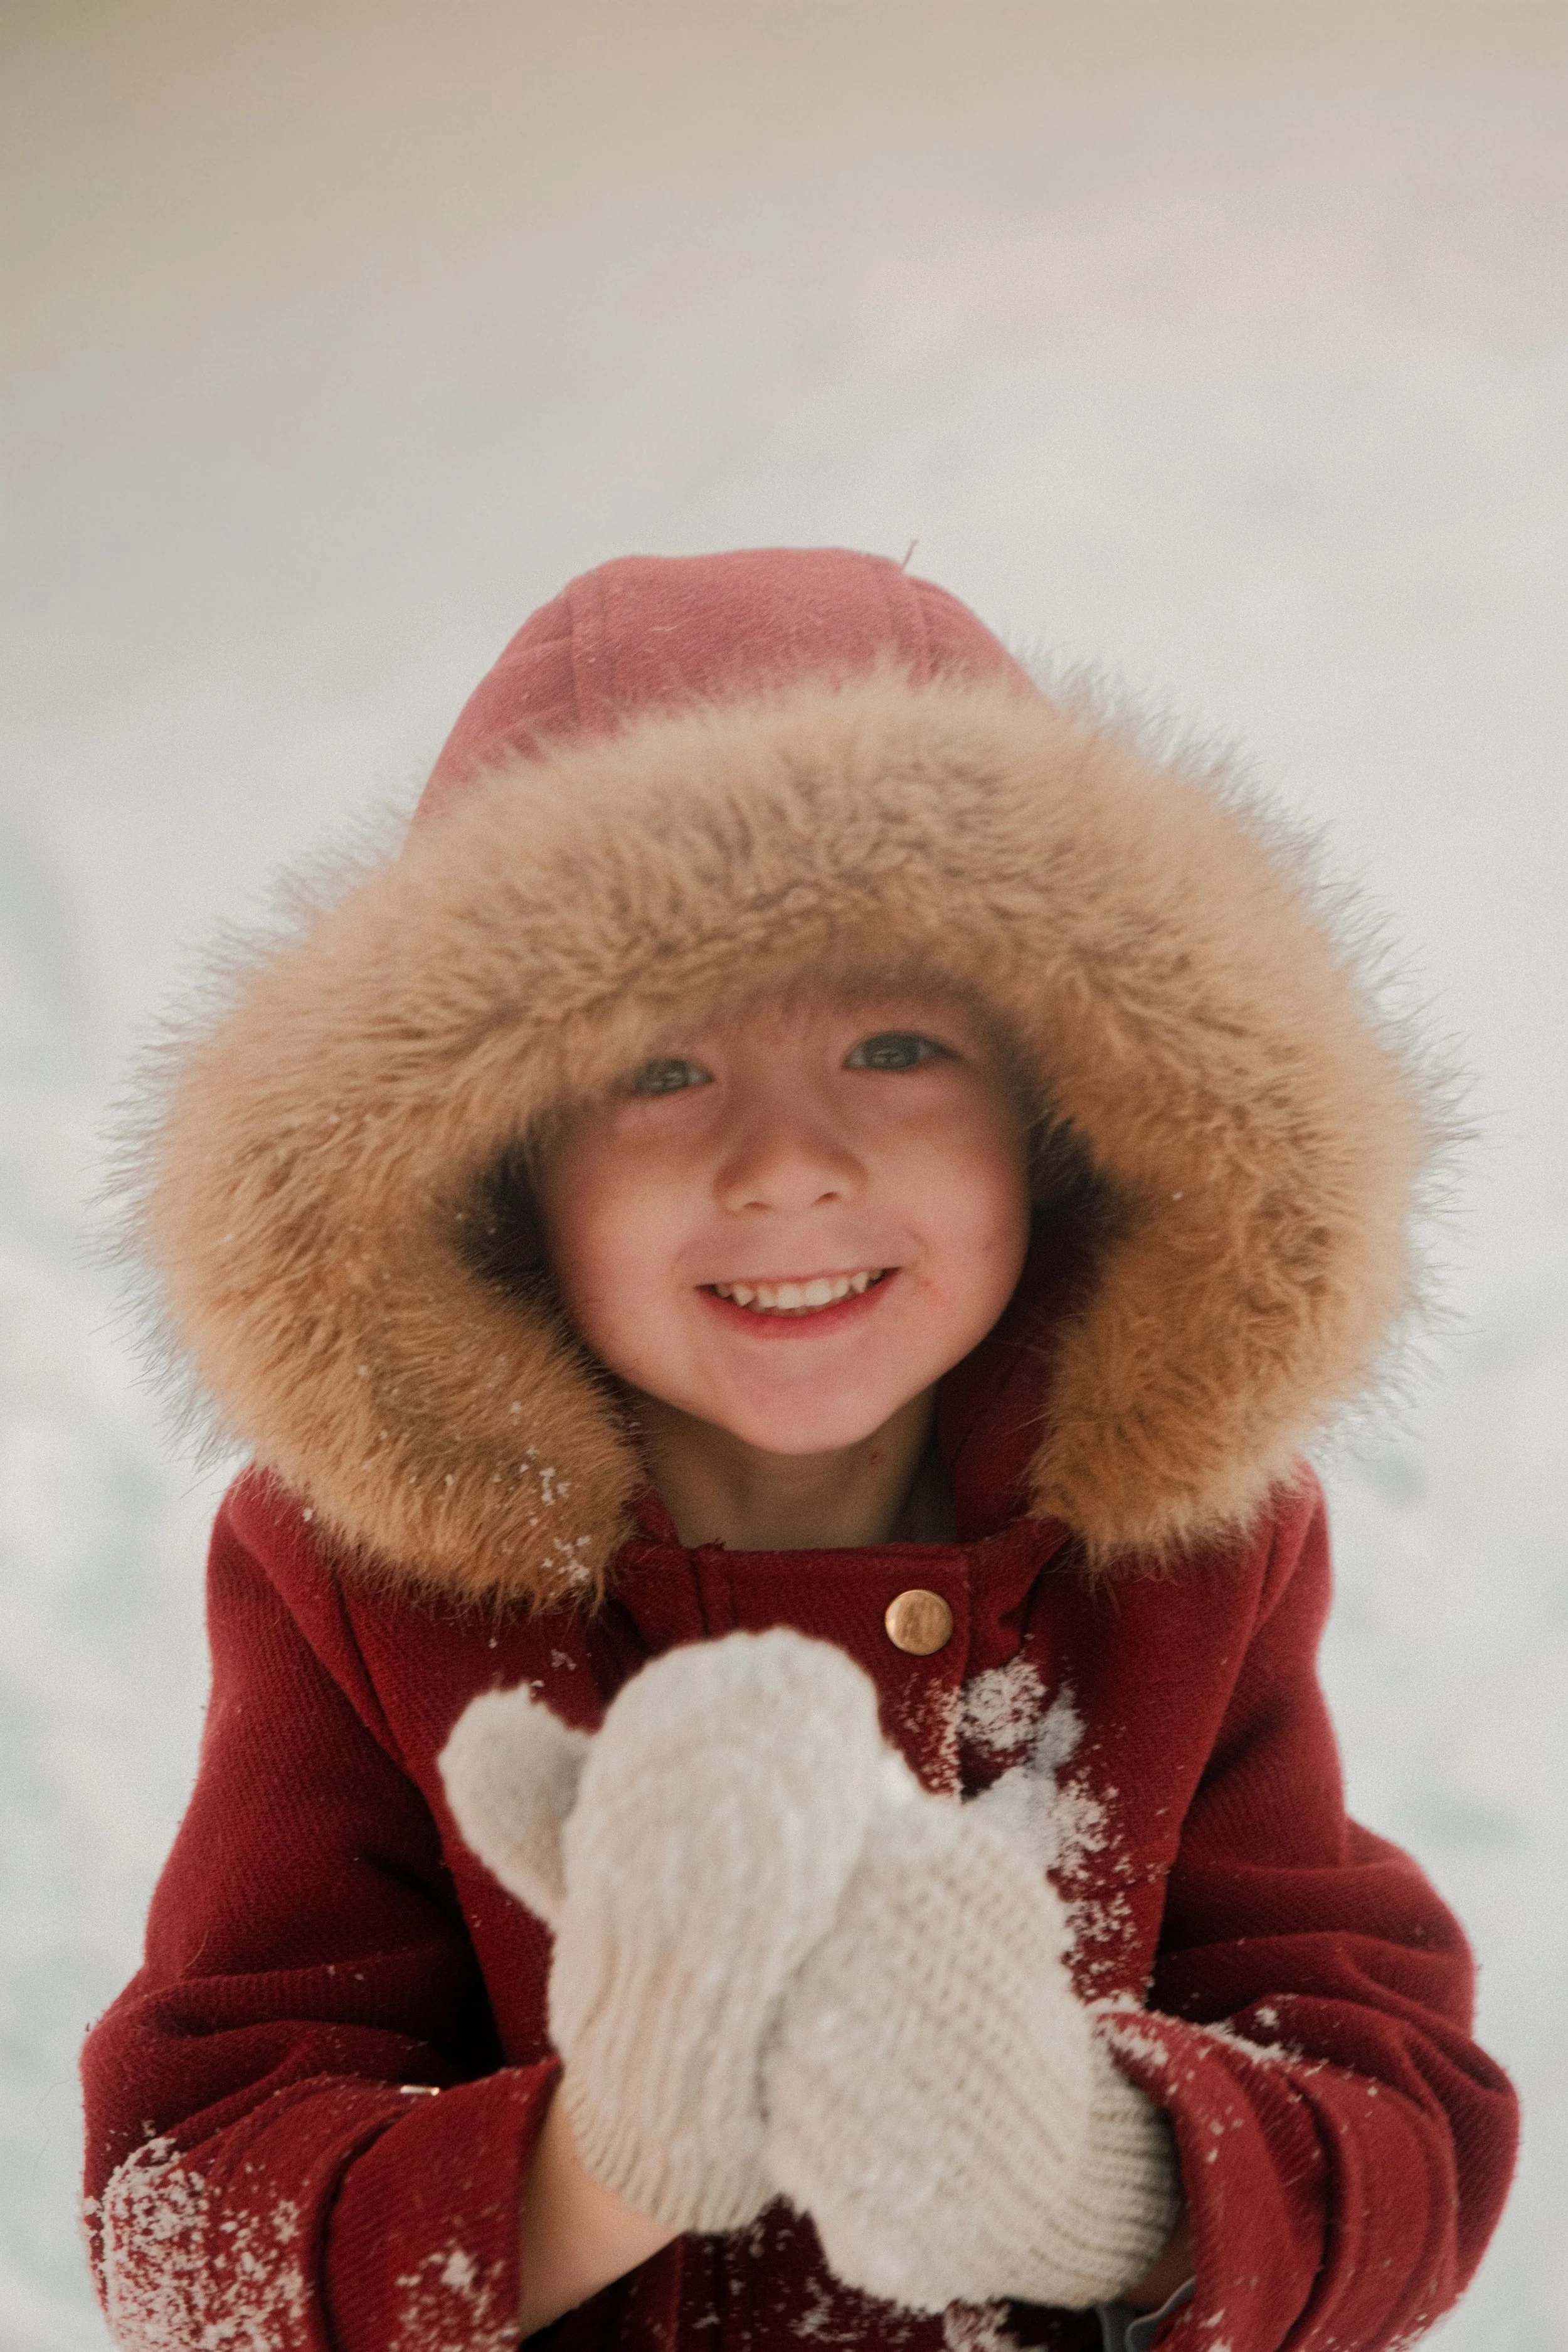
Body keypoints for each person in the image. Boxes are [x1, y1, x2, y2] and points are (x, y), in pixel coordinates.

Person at [80, 548, 1517, 2352]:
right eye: (660, 1069)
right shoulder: (363, 1578)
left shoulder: (1180, 1554)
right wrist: (594, 2162)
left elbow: (1401, 2124)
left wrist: (1096, 2177)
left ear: (1059, 1112)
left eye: (892, 1043)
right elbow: (182, 2214)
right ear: (499, 1157)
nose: (782, 1167)